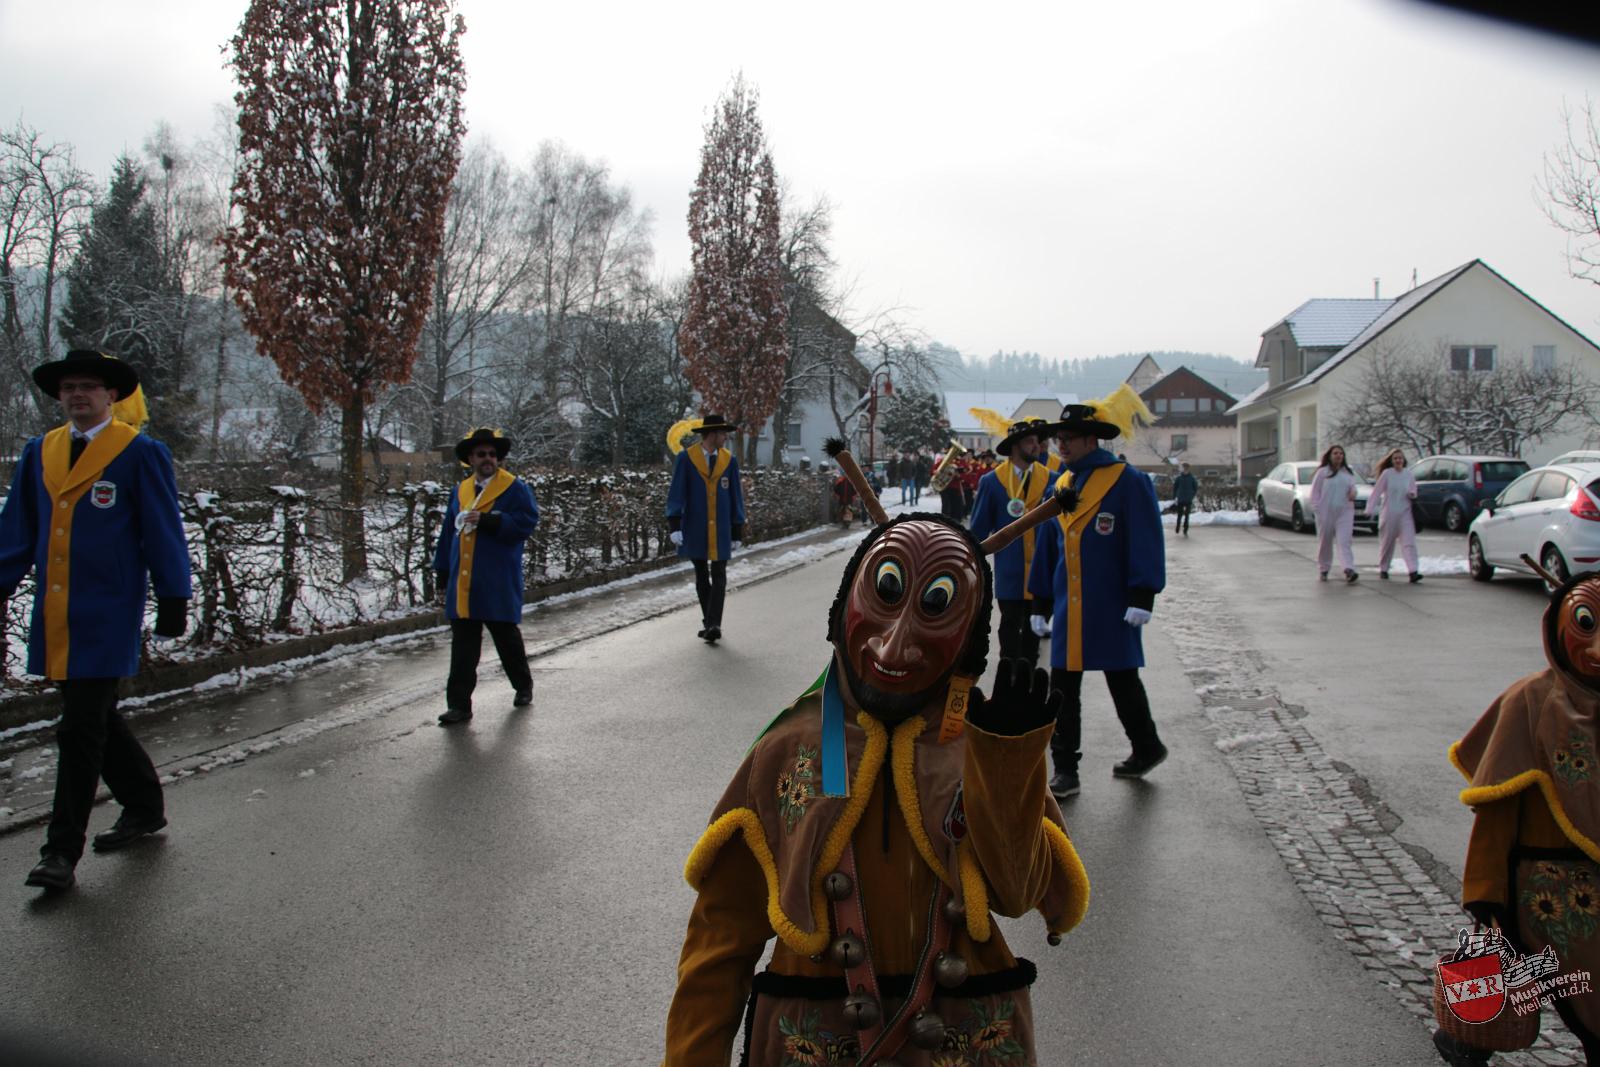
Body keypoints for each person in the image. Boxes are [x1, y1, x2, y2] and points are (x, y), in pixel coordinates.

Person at [662, 443, 1089, 1066]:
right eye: (885, 593)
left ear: (969, 638)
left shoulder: (981, 744)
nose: (894, 645)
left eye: (937, 608)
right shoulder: (786, 751)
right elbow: (720, 939)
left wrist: (1009, 765)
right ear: (844, 608)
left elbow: (1017, 893)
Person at [0, 349, 191, 892]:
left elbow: (162, 528)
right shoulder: (40, 451)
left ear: (111, 395)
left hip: (108, 613)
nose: (78, 395)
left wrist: (173, 595)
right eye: (69, 388)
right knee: (97, 717)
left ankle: (60, 852)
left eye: (88, 386)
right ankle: (144, 806)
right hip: (57, 614)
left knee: (78, 729)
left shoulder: (139, 452)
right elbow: (16, 531)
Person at [1443, 568, 1600, 1064]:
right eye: (1586, 623)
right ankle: (1469, 1037)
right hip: (1544, 891)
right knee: (1574, 989)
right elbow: (1495, 816)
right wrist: (1486, 894)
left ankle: (1466, 1040)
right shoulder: (1530, 703)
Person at [1028, 386, 1167, 799]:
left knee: (1123, 682)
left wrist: (1143, 595)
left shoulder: (1128, 481)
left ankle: (1147, 747)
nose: (1061, 445)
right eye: (1058, 438)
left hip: (1112, 604)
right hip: (1069, 608)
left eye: (1068, 438)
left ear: (1092, 439)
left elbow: (1145, 538)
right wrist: (1040, 600)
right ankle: (1065, 768)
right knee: (1062, 689)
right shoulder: (1060, 484)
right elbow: (1048, 546)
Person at [433, 427, 541, 726]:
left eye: (493, 454)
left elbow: (526, 521)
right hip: (463, 582)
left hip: (497, 579)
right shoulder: (460, 491)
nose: (488, 459)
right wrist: (442, 574)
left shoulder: (514, 488)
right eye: (482, 454)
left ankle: (523, 686)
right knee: (463, 649)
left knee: (507, 639)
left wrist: (490, 520)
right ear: (470, 459)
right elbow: (447, 534)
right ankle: (459, 705)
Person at [969, 420, 1052, 670]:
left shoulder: (1053, 480)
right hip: (1010, 571)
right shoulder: (992, 481)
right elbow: (979, 529)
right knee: (1009, 627)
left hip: (1041, 572)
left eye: (1037, 441)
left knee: (1032, 633)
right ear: (1015, 446)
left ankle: (1027, 680)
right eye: (1030, 441)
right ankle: (1009, 678)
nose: (1037, 446)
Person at [666, 414, 745, 644]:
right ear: (712, 434)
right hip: (695, 526)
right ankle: (709, 622)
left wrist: (737, 528)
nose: (726, 437)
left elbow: (735, 496)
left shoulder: (729, 461)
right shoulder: (686, 458)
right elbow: (677, 492)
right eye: (723, 433)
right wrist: (674, 523)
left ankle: (713, 624)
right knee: (701, 574)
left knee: (719, 575)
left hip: (721, 528)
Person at [1370, 448, 1421, 583]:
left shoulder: (1408, 474)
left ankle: (1413, 571)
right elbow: (1377, 492)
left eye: (1400, 458)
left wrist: (1412, 494)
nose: (1398, 460)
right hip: (1389, 514)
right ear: (1391, 461)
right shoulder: (1387, 474)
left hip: (1405, 514)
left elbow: (1413, 489)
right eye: (1395, 458)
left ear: (1404, 460)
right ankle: (1384, 568)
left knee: (1409, 543)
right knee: (1387, 543)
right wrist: (1369, 508)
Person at [1310, 444, 1360, 583]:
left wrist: (1353, 493)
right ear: (1330, 456)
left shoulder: (1347, 473)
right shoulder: (1322, 473)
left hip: (1344, 512)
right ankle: (1324, 568)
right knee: (1325, 542)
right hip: (1325, 512)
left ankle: (1348, 569)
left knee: (1344, 541)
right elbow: (1315, 493)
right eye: (1335, 453)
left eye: (1341, 453)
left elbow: (1353, 488)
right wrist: (1317, 509)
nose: (1338, 456)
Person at [1172, 462, 1198, 536]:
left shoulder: (1192, 478)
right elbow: (1175, 487)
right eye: (1184, 468)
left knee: (1187, 515)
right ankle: (1178, 526)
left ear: (1188, 469)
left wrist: (1192, 495)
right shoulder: (1179, 478)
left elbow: (1195, 488)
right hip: (1180, 498)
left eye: (1186, 468)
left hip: (1188, 499)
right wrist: (1174, 496)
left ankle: (1185, 528)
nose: (1185, 469)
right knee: (1179, 514)